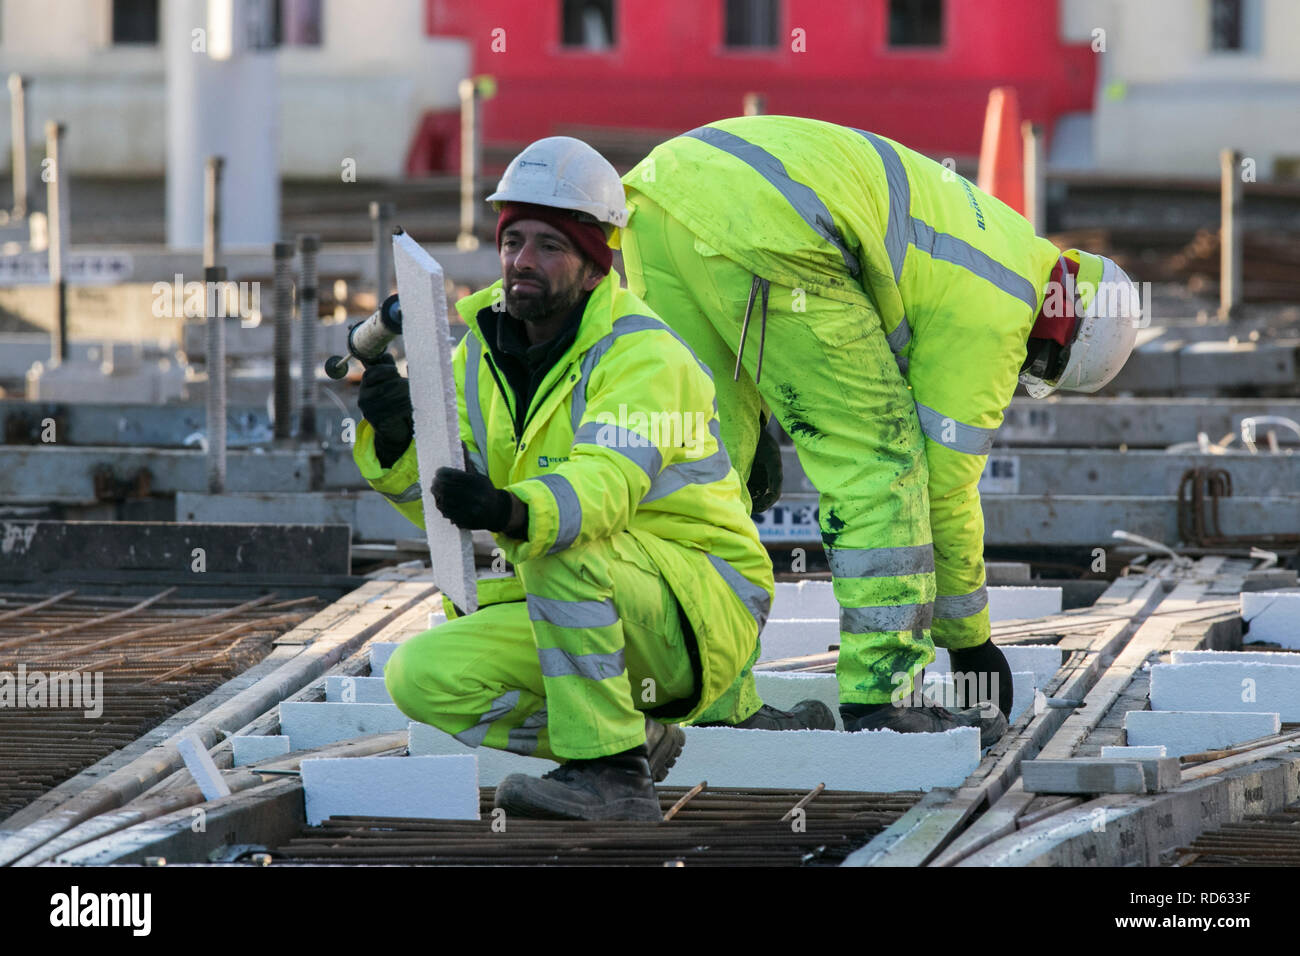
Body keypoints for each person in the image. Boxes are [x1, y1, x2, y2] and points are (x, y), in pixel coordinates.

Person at [619, 115, 1141, 743]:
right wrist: (970, 642)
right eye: (1040, 369)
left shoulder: (1004, 243)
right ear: (1062, 340)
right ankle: (883, 697)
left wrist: (755, 416)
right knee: (883, 463)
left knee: (702, 465)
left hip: (663, 193)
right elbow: (941, 491)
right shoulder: (1002, 308)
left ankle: (711, 700)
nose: (1023, 375)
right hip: (770, 224)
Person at [351, 136, 778, 821]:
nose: (522, 261)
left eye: (550, 246)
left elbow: (605, 486)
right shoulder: (476, 355)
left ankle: (611, 778)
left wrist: (511, 511)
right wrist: (403, 441)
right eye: (513, 240)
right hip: (587, 599)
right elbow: (446, 500)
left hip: (701, 606)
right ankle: (625, 741)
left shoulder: (643, 354)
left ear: (592, 266)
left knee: (561, 543)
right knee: (422, 675)